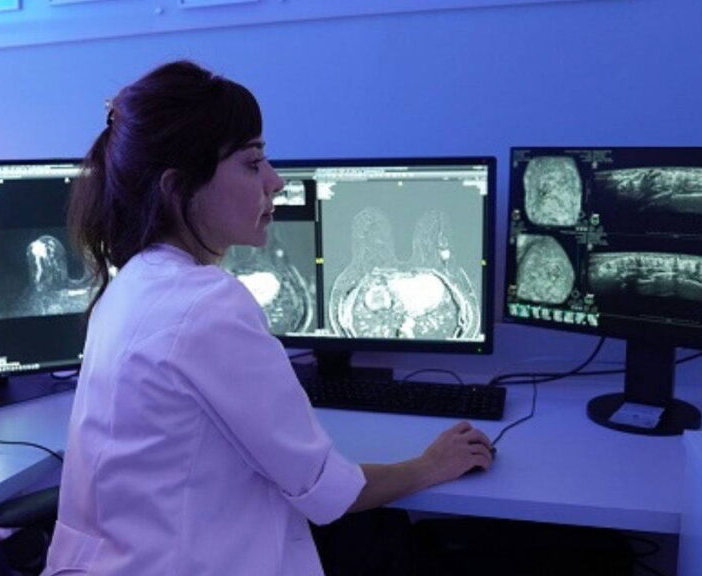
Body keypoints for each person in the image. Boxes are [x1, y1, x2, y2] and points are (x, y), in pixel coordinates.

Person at [41, 60, 494, 576]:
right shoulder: (206, 304)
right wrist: (430, 465)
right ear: (177, 187)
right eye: (252, 163)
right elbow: (329, 493)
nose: (275, 181)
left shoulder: (130, 284)